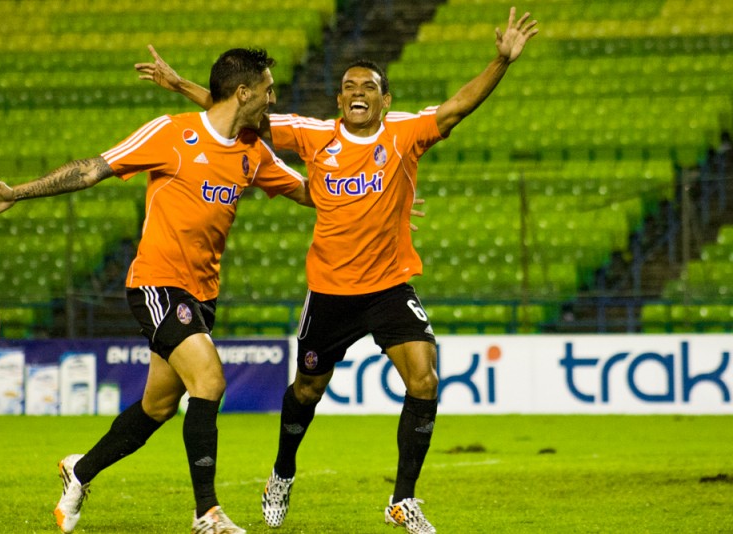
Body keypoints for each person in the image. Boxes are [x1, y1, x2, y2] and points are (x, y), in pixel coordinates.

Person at [137, 8, 537, 533]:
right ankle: (282, 472)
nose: (356, 92)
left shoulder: (405, 134)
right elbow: (240, 113)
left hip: (390, 286)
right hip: (330, 291)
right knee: (306, 390)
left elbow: (458, 107)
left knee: (424, 378)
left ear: (384, 99)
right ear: (340, 98)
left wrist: (501, 61)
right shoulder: (313, 135)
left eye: (367, 86)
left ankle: (403, 500)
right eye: (348, 85)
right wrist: (178, 85)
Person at [0, 48, 313, 534]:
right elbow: (92, 169)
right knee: (209, 381)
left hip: (202, 295)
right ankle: (206, 513)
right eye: (268, 90)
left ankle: (79, 470)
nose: (273, 99)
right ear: (244, 92)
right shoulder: (171, 133)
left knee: (158, 407)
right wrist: (18, 192)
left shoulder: (253, 152)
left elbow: (307, 192)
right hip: (156, 282)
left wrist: (376, 195)